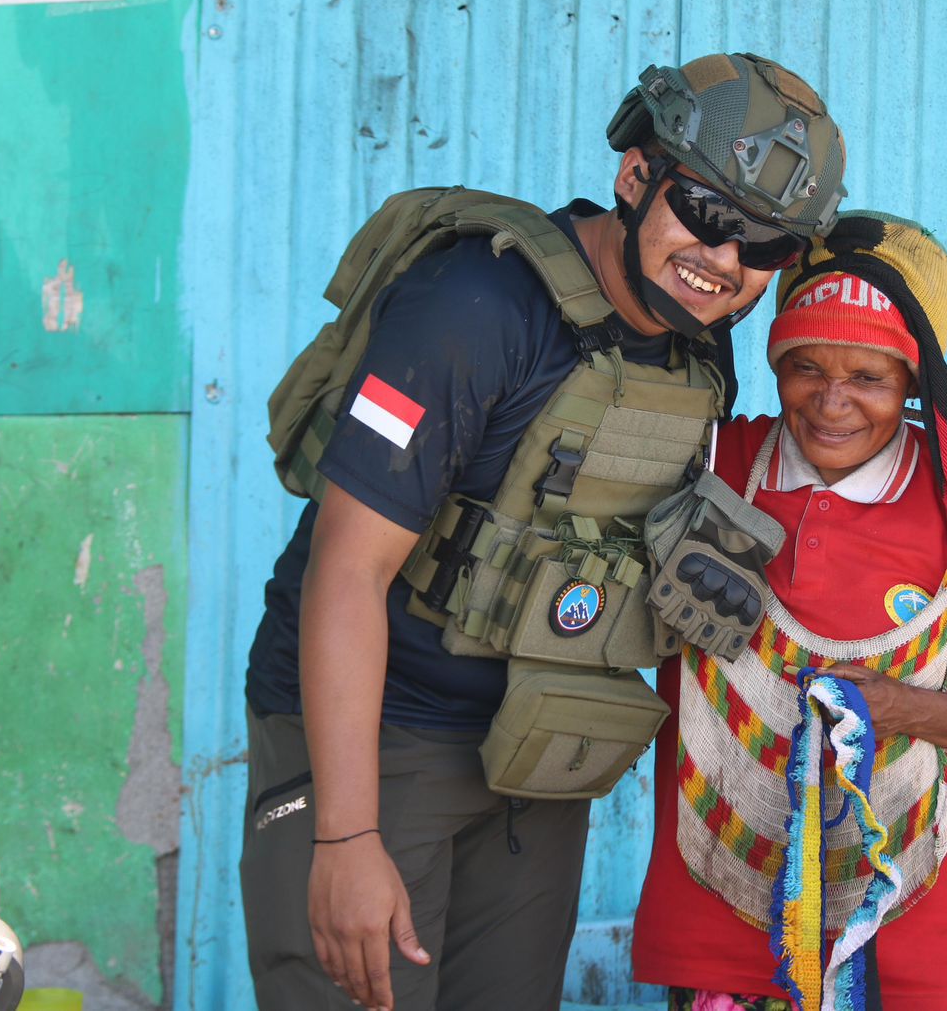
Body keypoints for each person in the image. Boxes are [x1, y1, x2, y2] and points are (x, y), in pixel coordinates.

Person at [239, 53, 848, 1011]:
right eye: (709, 215)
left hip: (536, 754)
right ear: (635, 174)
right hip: (377, 738)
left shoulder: (697, 342)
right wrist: (347, 837)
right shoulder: (475, 308)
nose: (727, 262)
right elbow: (346, 571)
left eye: (766, 246)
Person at [631, 213, 947, 1010]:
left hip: (919, 949)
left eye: (870, 378)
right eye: (804, 367)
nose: (832, 402)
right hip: (724, 937)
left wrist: (902, 708)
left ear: (915, 380)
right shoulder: (717, 464)